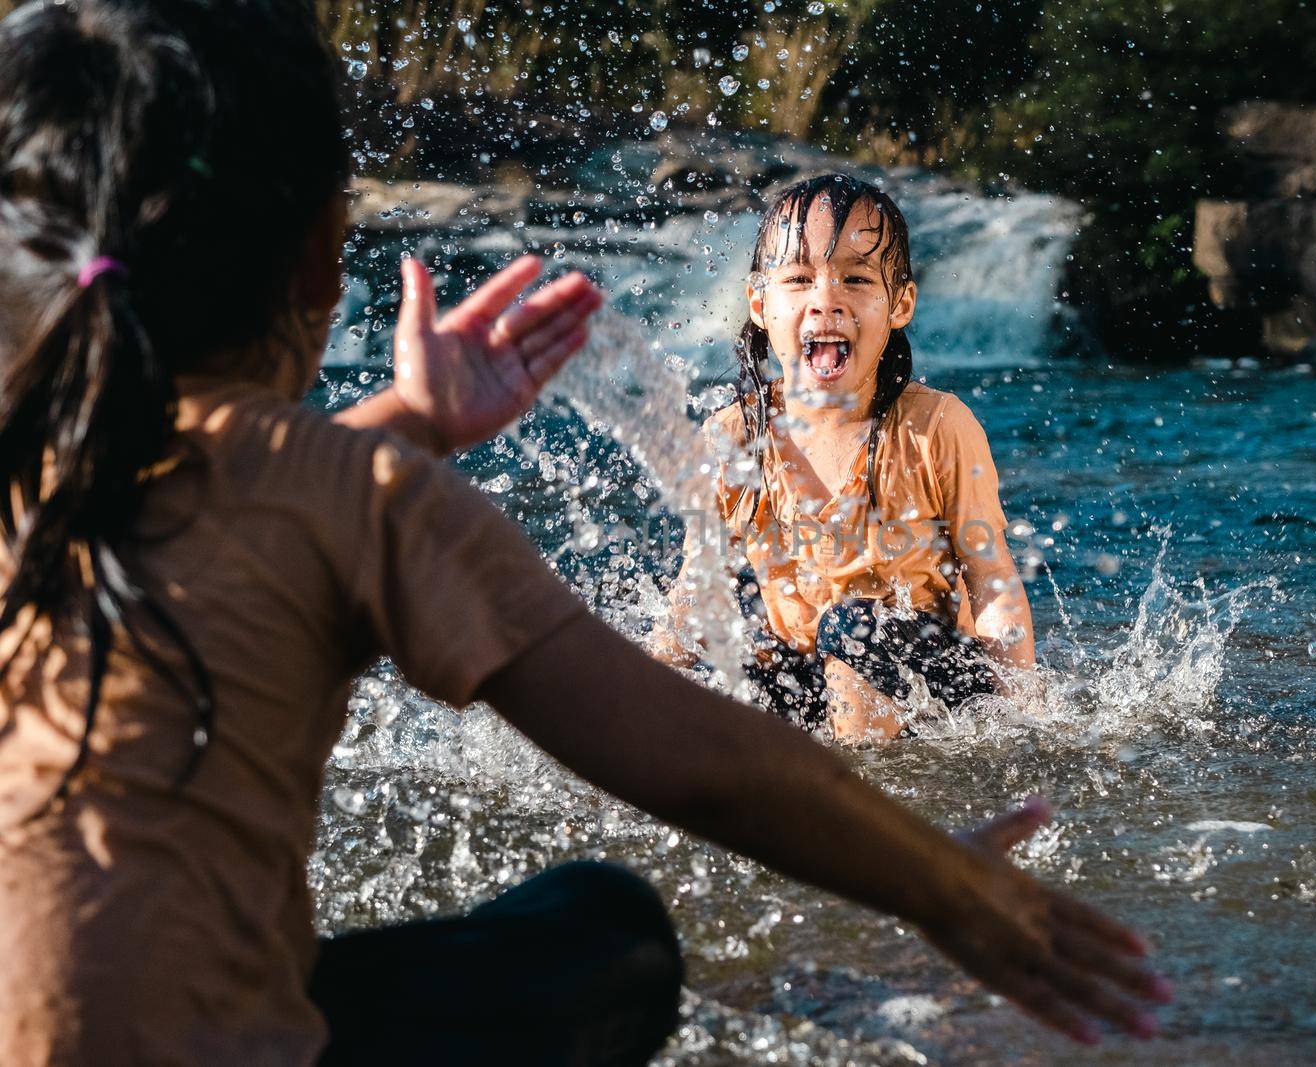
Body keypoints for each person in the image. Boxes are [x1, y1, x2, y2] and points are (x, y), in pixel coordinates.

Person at [0, 2, 1169, 1064]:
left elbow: (205, 488)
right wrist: (948, 887)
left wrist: (400, 420)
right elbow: (699, 762)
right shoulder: (359, 496)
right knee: (608, 929)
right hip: (218, 1044)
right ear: (322, 255)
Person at [654, 175, 1036, 740]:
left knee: (850, 625)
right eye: (799, 279)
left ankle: (870, 791)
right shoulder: (733, 438)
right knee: (736, 657)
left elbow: (992, 580)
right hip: (812, 675)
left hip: (932, 691)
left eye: (856, 279)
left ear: (900, 303)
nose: (826, 299)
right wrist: (635, 699)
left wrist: (1027, 719)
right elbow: (693, 592)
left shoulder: (936, 428)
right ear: (760, 303)